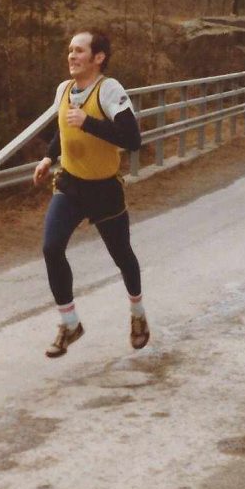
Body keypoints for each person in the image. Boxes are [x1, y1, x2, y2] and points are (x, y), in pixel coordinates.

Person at [33, 30, 149, 358]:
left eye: (79, 51)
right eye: (70, 50)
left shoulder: (109, 90)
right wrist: (48, 158)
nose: (72, 56)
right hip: (70, 185)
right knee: (51, 247)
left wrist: (89, 123)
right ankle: (70, 324)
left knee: (122, 255)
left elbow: (132, 139)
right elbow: (63, 129)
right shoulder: (64, 90)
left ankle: (138, 314)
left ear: (98, 58)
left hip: (104, 189)